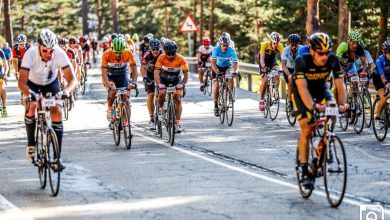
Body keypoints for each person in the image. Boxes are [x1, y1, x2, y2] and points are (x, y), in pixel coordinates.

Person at [293, 32, 348, 189]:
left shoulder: (332, 60)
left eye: (327, 52)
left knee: (332, 107)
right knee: (307, 127)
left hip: (320, 88)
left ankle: (327, 136)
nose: (324, 56)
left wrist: (342, 104)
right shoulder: (302, 61)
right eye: (320, 53)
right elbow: (302, 88)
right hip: (302, 92)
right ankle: (304, 169)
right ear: (312, 51)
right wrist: (313, 107)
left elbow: (340, 85)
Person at [18, 29, 77, 170]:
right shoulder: (30, 54)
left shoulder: (59, 53)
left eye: (51, 50)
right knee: (32, 105)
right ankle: (31, 144)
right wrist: (30, 93)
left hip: (50, 83)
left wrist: (66, 92)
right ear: (39, 47)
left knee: (57, 110)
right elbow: (21, 82)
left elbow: (73, 79)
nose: (49, 54)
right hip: (32, 83)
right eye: (45, 50)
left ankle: (57, 158)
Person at [154, 40, 189, 133]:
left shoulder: (181, 58)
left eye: (172, 54)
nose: (170, 56)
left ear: (175, 52)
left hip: (176, 80)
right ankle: (161, 110)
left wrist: (182, 84)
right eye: (168, 54)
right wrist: (159, 84)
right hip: (163, 79)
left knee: (178, 98)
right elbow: (156, 72)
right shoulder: (161, 57)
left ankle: (177, 123)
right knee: (162, 92)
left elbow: (186, 75)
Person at [101, 38, 137, 125]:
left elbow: (134, 70)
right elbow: (104, 73)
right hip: (110, 75)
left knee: (126, 99)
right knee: (113, 90)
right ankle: (110, 108)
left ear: (124, 49)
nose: (118, 54)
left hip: (123, 74)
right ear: (112, 50)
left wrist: (134, 82)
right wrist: (108, 85)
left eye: (120, 52)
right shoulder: (107, 54)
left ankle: (126, 123)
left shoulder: (128, 53)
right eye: (116, 52)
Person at [211, 35, 239, 116]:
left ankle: (230, 97)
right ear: (220, 44)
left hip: (227, 67)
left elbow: (235, 63)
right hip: (217, 67)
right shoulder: (215, 49)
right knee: (216, 85)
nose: (225, 47)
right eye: (224, 45)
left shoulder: (231, 50)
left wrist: (234, 71)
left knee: (230, 78)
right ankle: (216, 105)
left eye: (227, 45)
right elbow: (213, 63)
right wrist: (217, 71)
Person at [141, 39, 163, 129]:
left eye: (157, 49)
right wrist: (145, 78)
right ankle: (152, 118)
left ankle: (163, 110)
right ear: (150, 49)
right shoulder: (147, 54)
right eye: (153, 49)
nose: (155, 51)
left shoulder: (163, 54)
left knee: (163, 92)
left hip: (161, 74)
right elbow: (142, 68)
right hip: (150, 74)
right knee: (151, 95)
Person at [258, 32, 283, 111]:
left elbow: (283, 58)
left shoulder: (280, 46)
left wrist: (284, 67)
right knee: (265, 81)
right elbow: (261, 57)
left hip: (272, 62)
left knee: (277, 73)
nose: (276, 45)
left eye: (277, 43)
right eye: (274, 43)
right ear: (271, 41)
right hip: (264, 62)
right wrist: (263, 67)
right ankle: (261, 99)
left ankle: (275, 91)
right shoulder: (264, 45)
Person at [282, 34, 302, 115]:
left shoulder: (302, 49)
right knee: (290, 84)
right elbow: (283, 66)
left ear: (298, 43)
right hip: (288, 69)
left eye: (296, 44)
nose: (294, 47)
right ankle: (290, 104)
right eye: (292, 45)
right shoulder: (285, 50)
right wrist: (289, 75)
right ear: (289, 44)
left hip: (298, 68)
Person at [372, 40, 390, 123]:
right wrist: (386, 84)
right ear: (385, 52)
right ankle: (378, 117)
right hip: (378, 78)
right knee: (384, 97)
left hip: (388, 76)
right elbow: (382, 77)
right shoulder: (380, 61)